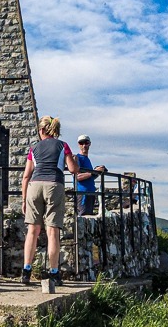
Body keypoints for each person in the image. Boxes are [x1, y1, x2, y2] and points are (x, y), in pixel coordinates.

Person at [20, 116, 79, 286]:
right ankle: (54, 273)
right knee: (52, 231)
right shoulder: (62, 145)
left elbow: (26, 176)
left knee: (33, 230)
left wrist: (24, 199)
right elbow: (74, 169)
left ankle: (26, 271)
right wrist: (74, 160)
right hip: (54, 184)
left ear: (42, 130)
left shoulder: (34, 148)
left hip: (34, 186)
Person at [74, 135, 107, 215]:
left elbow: (89, 176)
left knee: (88, 219)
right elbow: (77, 177)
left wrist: (98, 171)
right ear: (78, 144)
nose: (84, 145)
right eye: (81, 143)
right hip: (83, 194)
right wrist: (94, 171)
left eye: (86, 143)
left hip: (90, 193)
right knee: (83, 218)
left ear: (89, 144)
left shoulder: (87, 159)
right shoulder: (77, 158)